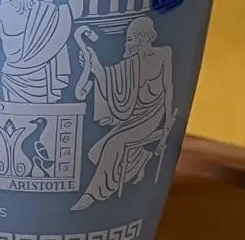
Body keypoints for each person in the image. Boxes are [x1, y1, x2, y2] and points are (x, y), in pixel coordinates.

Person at [71, 16, 175, 209]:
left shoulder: (164, 53)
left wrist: (168, 120)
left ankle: (91, 195)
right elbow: (109, 83)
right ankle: (140, 159)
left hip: (153, 116)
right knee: (95, 153)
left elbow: (169, 88)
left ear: (142, 36)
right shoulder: (132, 64)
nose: (128, 43)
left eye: (131, 38)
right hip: (134, 118)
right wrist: (94, 64)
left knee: (113, 145)